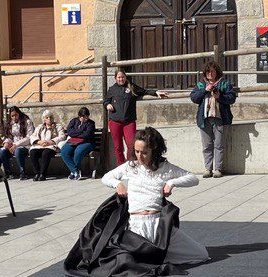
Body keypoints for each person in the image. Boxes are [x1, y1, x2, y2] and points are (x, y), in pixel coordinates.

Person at [100, 126, 207, 265]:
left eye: (144, 152)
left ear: (154, 151)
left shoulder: (165, 168)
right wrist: (118, 184)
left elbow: (193, 178)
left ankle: (160, 254)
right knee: (126, 263)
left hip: (158, 225)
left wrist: (171, 183)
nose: (139, 156)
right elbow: (106, 178)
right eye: (137, 151)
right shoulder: (130, 166)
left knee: (201, 254)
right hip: (136, 226)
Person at [104, 70, 168, 167]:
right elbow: (106, 100)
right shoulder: (112, 89)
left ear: (125, 77)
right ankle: (120, 166)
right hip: (115, 121)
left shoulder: (132, 87)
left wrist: (156, 92)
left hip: (129, 121)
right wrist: (107, 104)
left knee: (131, 144)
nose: (121, 79)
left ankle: (131, 164)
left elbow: (144, 91)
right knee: (118, 146)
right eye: (119, 77)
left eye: (123, 77)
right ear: (115, 78)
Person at [190, 60, 237, 178]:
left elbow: (231, 98)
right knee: (206, 145)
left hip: (220, 118)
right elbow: (194, 98)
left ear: (216, 72)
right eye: (207, 72)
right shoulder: (201, 84)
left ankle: (218, 169)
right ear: (205, 73)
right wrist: (204, 91)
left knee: (219, 145)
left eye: (212, 71)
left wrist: (219, 96)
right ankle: (207, 169)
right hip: (204, 119)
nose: (210, 74)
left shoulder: (224, 83)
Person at [27, 110, 66, 181]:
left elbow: (62, 136)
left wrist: (50, 141)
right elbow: (32, 136)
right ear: (44, 119)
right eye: (47, 117)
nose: (49, 119)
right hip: (40, 145)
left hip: (51, 146)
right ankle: (37, 173)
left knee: (46, 153)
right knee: (33, 152)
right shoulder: (40, 127)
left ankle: (43, 174)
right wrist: (39, 141)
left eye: (50, 117)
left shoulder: (58, 126)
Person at [60, 107, 97, 181]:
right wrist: (81, 131)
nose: (86, 119)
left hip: (87, 142)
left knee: (78, 151)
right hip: (73, 141)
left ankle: (73, 173)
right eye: (84, 117)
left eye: (87, 117)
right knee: (64, 151)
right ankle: (75, 170)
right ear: (79, 116)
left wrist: (76, 133)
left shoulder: (91, 123)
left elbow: (87, 135)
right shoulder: (74, 121)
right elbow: (69, 132)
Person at [1, 106, 33, 179]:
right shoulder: (10, 123)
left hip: (25, 145)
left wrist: (16, 144)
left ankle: (22, 172)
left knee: (18, 151)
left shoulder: (27, 121)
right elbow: (10, 136)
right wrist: (6, 142)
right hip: (13, 145)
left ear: (19, 114)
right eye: (12, 116)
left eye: (16, 115)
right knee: (2, 151)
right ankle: (8, 172)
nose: (14, 117)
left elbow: (29, 137)